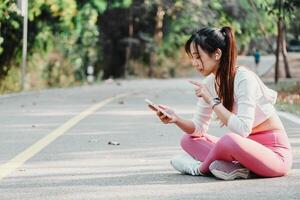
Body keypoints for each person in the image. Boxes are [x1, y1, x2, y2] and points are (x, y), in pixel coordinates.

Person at [150, 26, 292, 180]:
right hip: (244, 151)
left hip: (274, 156)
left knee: (229, 140)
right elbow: (198, 129)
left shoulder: (244, 79)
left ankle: (199, 168)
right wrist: (175, 119)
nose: (194, 62)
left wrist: (212, 101)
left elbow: (243, 130)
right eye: (192, 57)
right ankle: (237, 168)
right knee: (188, 139)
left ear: (217, 54)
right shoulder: (209, 83)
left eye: (198, 57)